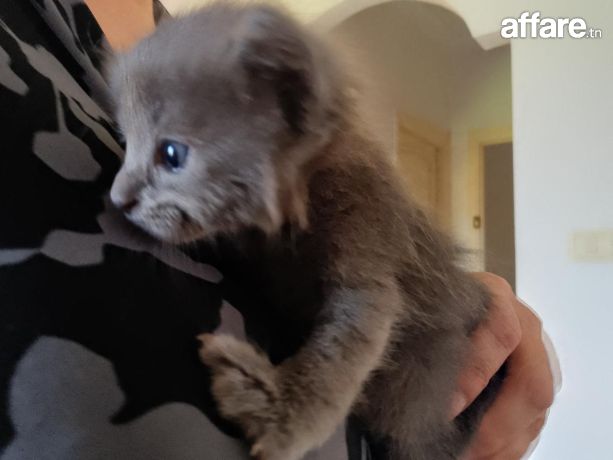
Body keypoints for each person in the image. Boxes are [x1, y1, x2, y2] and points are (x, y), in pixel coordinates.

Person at [0, 0, 559, 459]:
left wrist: (294, 407)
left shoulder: (333, 173)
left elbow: (367, 299)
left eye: (170, 155)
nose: (122, 191)